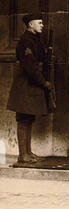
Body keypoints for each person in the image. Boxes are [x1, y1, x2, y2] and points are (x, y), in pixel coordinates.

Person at [7, 13, 54, 164]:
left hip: (30, 86)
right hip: (25, 86)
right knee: (23, 120)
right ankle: (23, 155)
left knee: (29, 119)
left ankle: (27, 153)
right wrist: (44, 82)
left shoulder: (35, 40)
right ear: (30, 25)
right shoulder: (26, 41)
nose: (42, 25)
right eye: (39, 23)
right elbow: (30, 67)